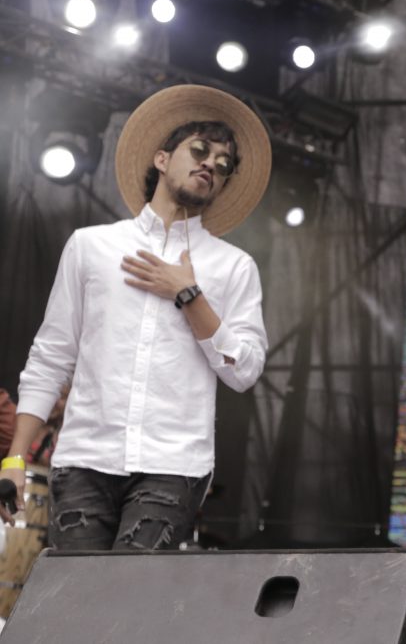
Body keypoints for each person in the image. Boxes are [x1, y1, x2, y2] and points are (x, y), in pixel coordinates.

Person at [0, 85, 271, 550]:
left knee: (131, 594)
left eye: (223, 164)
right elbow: (50, 357)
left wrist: (188, 295)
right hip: (84, 458)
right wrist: (14, 459)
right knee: (78, 591)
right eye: (200, 150)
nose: (211, 164)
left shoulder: (234, 267)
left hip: (173, 467)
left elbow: (245, 371)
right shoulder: (91, 246)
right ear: (161, 159)